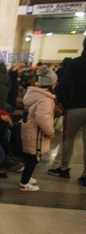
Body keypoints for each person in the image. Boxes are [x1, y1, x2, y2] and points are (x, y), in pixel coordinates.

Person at [48, 36, 86, 186]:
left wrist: (59, 103)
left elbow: (64, 85)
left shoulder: (75, 63)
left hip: (75, 106)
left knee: (68, 138)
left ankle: (64, 168)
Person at [19, 65, 57, 191]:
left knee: (29, 157)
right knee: (34, 159)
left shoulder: (34, 94)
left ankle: (27, 178)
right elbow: (42, 118)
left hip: (29, 130)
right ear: (52, 84)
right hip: (37, 134)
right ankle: (24, 183)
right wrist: (50, 132)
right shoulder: (45, 99)